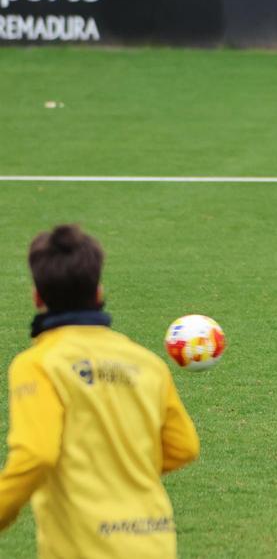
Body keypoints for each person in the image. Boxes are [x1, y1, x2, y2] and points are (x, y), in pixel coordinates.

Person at [0, 224, 200, 556]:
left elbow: (36, 455)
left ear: (38, 298)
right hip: (155, 543)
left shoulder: (38, 364)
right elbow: (184, 447)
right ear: (99, 293)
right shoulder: (148, 363)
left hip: (85, 547)